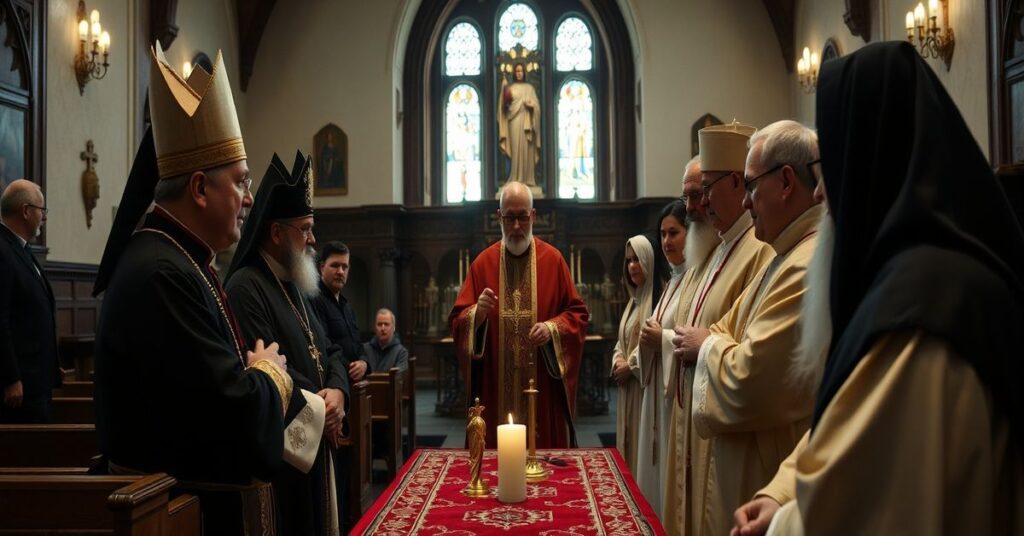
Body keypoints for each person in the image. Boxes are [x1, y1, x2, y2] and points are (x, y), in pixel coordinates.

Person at [731, 42, 1024, 536]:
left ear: (871, 158)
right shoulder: (930, 277)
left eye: (828, 168)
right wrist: (782, 494)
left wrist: (783, 522)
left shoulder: (918, 314)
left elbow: (859, 510)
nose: (819, 191)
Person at [93, 43, 300, 535]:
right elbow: (236, 415)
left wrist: (254, 373)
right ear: (201, 188)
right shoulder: (164, 272)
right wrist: (269, 371)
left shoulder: (179, 258)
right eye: (242, 183)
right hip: (174, 514)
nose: (251, 199)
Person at [672, 119, 824, 536]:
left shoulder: (804, 264)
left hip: (765, 470)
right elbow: (724, 324)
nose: (745, 203)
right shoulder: (782, 253)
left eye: (753, 187)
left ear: (787, 181)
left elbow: (750, 376)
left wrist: (708, 347)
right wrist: (721, 341)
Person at [225, 151, 349, 536]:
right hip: (284, 453)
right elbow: (267, 368)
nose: (313, 240)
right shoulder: (246, 286)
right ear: (276, 233)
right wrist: (321, 404)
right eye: (305, 228)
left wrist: (339, 392)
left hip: (315, 427)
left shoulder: (296, 281)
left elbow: (329, 350)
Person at [664, 136, 774, 536]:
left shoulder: (757, 250)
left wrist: (704, 343)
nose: (698, 206)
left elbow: (749, 346)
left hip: (729, 426)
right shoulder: (716, 247)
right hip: (697, 414)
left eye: (704, 191)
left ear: (734, 182)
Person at [449, 181, 588, 448]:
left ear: (533, 216)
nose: (515, 226)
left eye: (522, 217)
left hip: (542, 390)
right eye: (509, 217)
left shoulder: (553, 260)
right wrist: (476, 316)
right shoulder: (482, 264)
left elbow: (578, 314)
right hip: (494, 387)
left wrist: (552, 328)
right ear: (498, 217)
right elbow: (457, 320)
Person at [631, 201, 689, 511]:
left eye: (674, 233)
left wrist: (661, 339)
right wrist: (650, 340)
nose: (667, 241)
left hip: (671, 396)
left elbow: (694, 336)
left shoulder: (691, 280)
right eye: (663, 234)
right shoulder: (671, 285)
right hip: (655, 392)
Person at [0, 179, 57, 423]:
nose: (44, 217)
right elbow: (0, 320)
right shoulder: (2, 251)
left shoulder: (22, 249)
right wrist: (10, 378)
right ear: (26, 211)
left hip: (36, 379)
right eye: (42, 210)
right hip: (19, 388)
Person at [610, 234, 658, 474]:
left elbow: (651, 341)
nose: (632, 266)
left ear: (649, 260)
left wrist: (630, 366)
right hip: (627, 388)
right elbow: (622, 340)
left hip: (643, 388)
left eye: (637, 260)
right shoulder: (633, 301)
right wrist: (618, 360)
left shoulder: (657, 299)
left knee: (641, 451)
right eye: (628, 261)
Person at [311, 241, 372, 382]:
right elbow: (324, 346)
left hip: (354, 382)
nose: (340, 271)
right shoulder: (315, 301)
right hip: (333, 381)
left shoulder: (347, 306)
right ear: (321, 267)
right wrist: (352, 367)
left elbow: (358, 344)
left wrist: (364, 363)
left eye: (345, 267)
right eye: (335, 265)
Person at [498, 62, 540, 188]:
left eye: (521, 71)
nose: (519, 73)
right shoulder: (510, 88)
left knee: (527, 150)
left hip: (527, 122)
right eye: (517, 71)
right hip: (514, 122)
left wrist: (533, 106)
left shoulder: (530, 88)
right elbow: (503, 109)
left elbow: (537, 106)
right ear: (514, 73)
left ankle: (528, 179)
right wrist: (503, 94)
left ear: (524, 73)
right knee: (516, 150)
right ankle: (515, 177)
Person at [363, 308, 409, 373]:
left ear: (393, 328)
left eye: (386, 324)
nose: (383, 328)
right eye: (379, 324)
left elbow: (399, 378)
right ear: (374, 327)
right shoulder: (365, 349)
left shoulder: (401, 352)